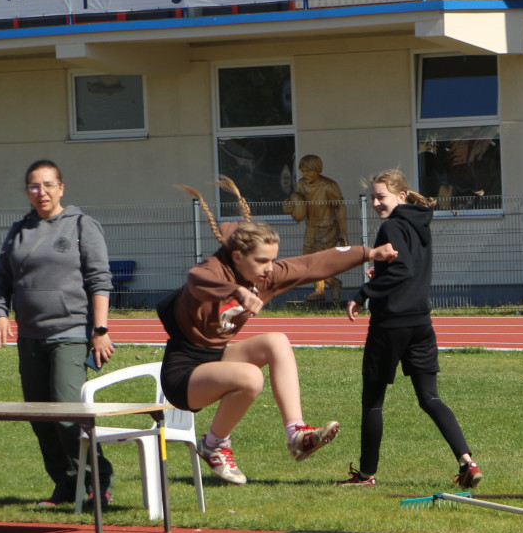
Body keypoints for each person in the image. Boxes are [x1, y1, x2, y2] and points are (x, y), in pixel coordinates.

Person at [160, 176, 396, 485]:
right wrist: (238, 291)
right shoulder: (212, 272)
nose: (270, 268)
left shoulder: (265, 277)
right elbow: (196, 280)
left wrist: (369, 253)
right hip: (184, 375)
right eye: (262, 261)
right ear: (237, 257)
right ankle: (214, 444)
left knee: (277, 341)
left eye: (272, 260)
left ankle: (296, 433)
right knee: (250, 376)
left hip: (217, 358)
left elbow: (314, 263)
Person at [339, 169, 482, 489]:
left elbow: (401, 269)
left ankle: (365, 476)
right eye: (373, 197)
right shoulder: (421, 226)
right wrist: (382, 273)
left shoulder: (391, 226)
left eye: (382, 196)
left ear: (401, 197)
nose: (376, 203)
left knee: (373, 402)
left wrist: (364, 293)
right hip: (421, 323)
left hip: (390, 324)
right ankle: (467, 462)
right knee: (429, 398)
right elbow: (408, 269)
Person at [0, 160, 115, 508]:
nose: (40, 192)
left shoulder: (81, 225)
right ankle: (65, 483)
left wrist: (100, 330)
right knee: (40, 416)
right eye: (33, 186)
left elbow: (99, 280)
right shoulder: (18, 231)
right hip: (30, 337)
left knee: (66, 411)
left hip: (70, 332)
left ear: (61, 188)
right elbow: (0, 280)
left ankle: (98, 480)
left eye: (47, 185)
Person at [281, 154, 348, 303]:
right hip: (310, 227)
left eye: (309, 171)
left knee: (319, 260)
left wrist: (343, 232)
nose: (305, 175)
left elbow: (340, 207)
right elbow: (299, 209)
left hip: (328, 228)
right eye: (303, 171)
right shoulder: (301, 185)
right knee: (308, 262)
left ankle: (320, 290)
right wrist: (290, 208)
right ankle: (334, 283)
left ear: (318, 170)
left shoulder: (329, 186)